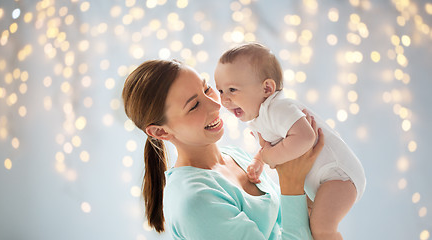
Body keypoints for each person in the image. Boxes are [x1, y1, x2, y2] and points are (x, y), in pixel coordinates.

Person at [122, 59, 324, 239]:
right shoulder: (196, 202)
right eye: (194, 106)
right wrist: (292, 182)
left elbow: (285, 223)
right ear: (160, 132)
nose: (215, 105)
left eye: (207, 88)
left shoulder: (234, 157)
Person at [214, 43, 366, 240]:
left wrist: (269, 156)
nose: (224, 100)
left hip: (339, 176)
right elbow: (275, 144)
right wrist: (260, 160)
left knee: (322, 228)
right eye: (220, 91)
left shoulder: (278, 107)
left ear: (267, 88)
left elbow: (305, 137)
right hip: (323, 179)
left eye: (232, 90)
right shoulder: (261, 117)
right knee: (309, 225)